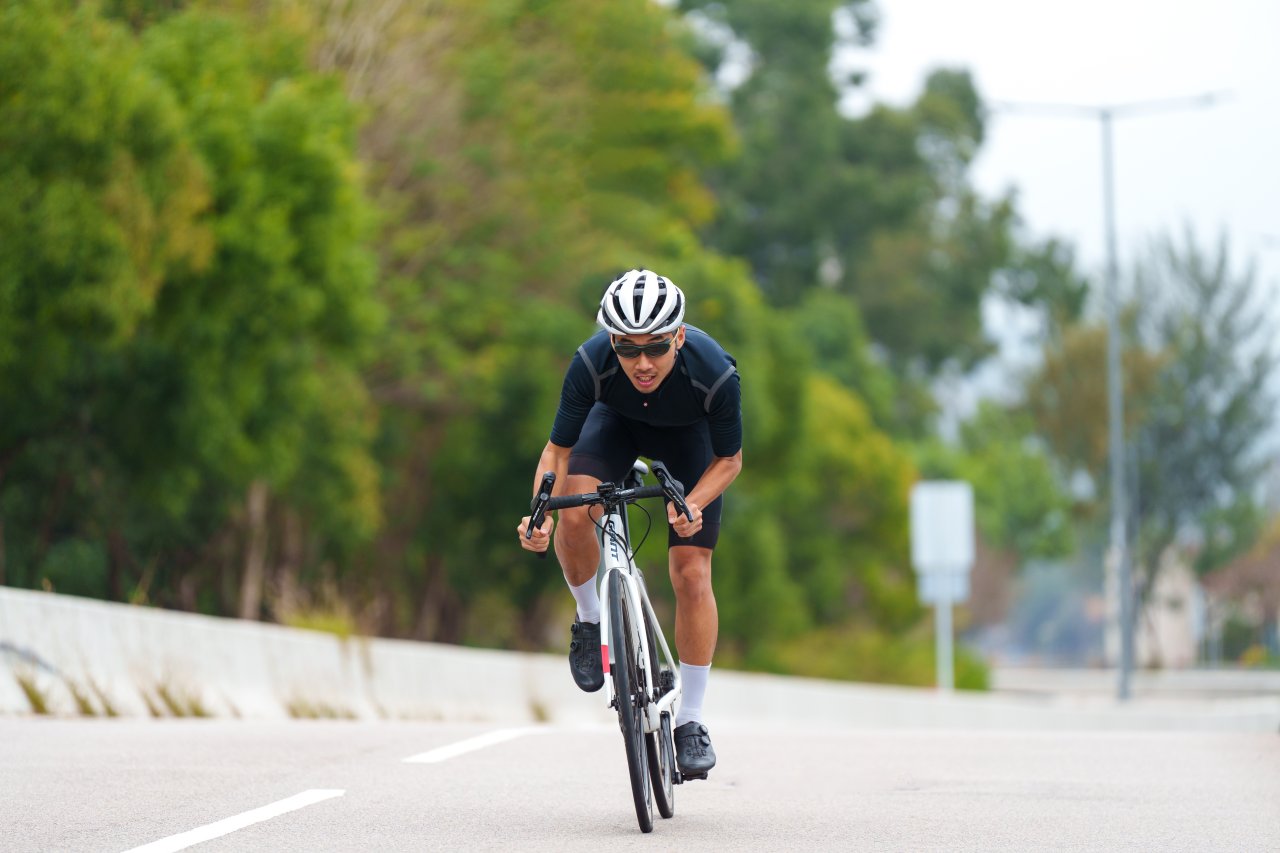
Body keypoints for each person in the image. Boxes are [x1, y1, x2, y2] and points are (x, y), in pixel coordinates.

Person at [517, 268, 742, 778]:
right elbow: (557, 452)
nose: (642, 363)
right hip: (614, 427)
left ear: (679, 337)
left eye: (657, 348)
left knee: (691, 572)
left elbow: (729, 461)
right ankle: (591, 621)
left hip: (689, 445)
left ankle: (690, 721)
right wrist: (537, 515)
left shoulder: (715, 373)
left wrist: (693, 505)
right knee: (574, 508)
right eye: (627, 349)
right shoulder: (591, 363)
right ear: (611, 341)